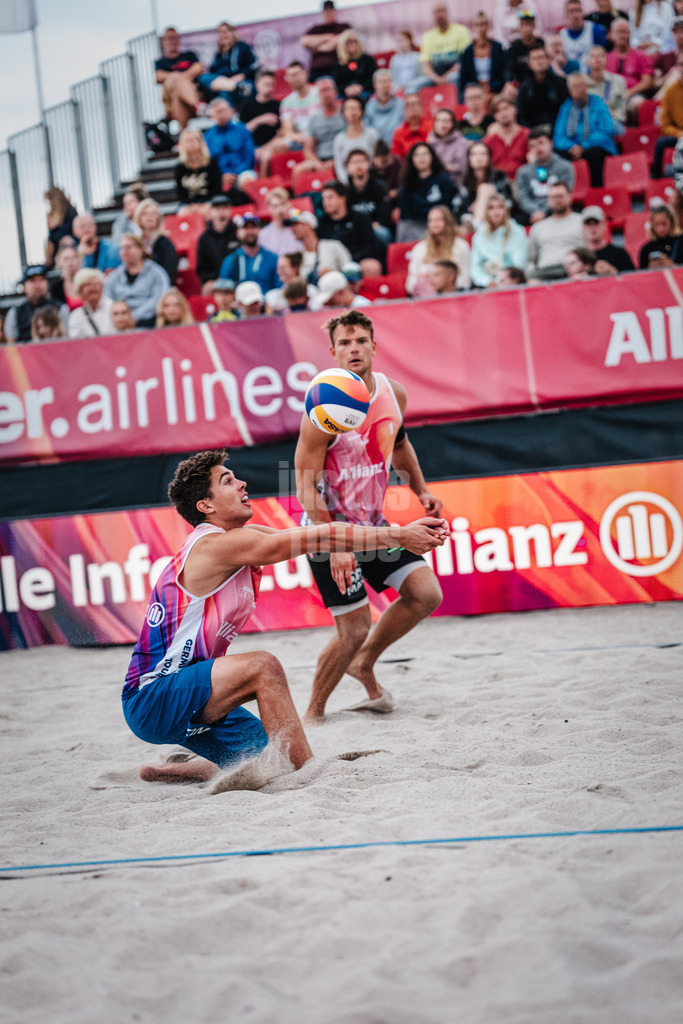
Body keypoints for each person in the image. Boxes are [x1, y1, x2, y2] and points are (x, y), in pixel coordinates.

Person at [123, 447, 446, 783]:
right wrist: (401, 535)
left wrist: (388, 541)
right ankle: (311, 772)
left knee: (266, 757)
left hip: (191, 697)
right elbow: (322, 535)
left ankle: (175, 771)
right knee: (264, 667)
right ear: (206, 506)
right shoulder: (213, 546)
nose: (243, 484)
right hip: (153, 698)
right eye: (228, 481)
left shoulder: (241, 538)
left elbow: (318, 540)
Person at [295, 309, 446, 723]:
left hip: (374, 525)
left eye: (361, 340)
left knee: (426, 594)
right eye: (344, 342)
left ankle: (363, 665)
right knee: (354, 628)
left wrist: (421, 490)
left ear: (375, 346)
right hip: (330, 531)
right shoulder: (324, 403)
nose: (354, 348)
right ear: (332, 352)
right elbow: (305, 486)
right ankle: (312, 715)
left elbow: (400, 446)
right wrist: (337, 543)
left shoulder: (392, 393)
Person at [553, 71, 617, 186]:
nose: (579, 89)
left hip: (594, 146)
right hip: (573, 147)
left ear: (586, 86)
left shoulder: (598, 102)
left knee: (594, 154)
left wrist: (584, 146)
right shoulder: (566, 107)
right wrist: (572, 147)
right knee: (558, 155)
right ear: (569, 89)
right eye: (574, 86)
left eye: (581, 85)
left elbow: (606, 130)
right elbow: (559, 136)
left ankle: (597, 190)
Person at [104, 234, 170, 328]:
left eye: (129, 247)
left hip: (150, 321)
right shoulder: (113, 277)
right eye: (122, 248)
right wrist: (122, 317)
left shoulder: (157, 273)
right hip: (120, 323)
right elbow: (107, 300)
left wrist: (134, 317)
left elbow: (159, 299)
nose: (125, 251)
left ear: (141, 249)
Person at [317, 181, 383, 276]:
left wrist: (351, 260)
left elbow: (369, 247)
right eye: (324, 199)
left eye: (330, 198)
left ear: (342, 198)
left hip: (356, 261)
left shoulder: (360, 218)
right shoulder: (322, 222)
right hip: (333, 263)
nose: (326, 202)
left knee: (372, 266)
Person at [514, 126, 576, 224]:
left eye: (541, 143)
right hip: (532, 214)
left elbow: (566, 193)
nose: (538, 149)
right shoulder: (523, 171)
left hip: (557, 209)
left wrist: (544, 211)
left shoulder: (565, 167)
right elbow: (522, 198)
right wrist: (535, 211)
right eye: (532, 146)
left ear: (550, 144)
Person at [397, 142, 456, 242]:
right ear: (412, 159)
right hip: (415, 226)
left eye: (425, 154)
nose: (421, 158)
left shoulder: (444, 181)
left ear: (432, 156)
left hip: (441, 224)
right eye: (417, 155)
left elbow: (448, 207)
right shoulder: (406, 185)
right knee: (403, 226)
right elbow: (406, 214)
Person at [405, 205, 472, 294]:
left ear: (448, 222)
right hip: (424, 297)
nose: (434, 224)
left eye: (438, 220)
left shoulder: (461, 246)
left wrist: (446, 285)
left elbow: (466, 278)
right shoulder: (419, 248)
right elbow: (411, 281)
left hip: (453, 295)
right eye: (430, 220)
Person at [526, 180, 584, 278]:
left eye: (560, 196)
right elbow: (531, 260)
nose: (557, 200)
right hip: (544, 275)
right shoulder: (538, 227)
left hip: (574, 275)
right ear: (548, 200)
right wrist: (531, 278)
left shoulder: (582, 222)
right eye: (553, 197)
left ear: (570, 197)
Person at [470, 191, 529, 286]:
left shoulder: (518, 232)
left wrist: (502, 279)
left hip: (512, 282)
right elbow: (475, 267)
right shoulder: (478, 236)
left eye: (500, 207)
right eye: (491, 208)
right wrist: (487, 281)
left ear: (506, 210)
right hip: (487, 285)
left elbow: (519, 263)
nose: (496, 211)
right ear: (486, 211)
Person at [452, 140, 514, 226]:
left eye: (483, 154)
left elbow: (509, 203)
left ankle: (478, 226)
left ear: (489, 157)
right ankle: (478, 226)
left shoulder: (499, 176)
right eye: (474, 154)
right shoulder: (463, 182)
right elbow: (457, 209)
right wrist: (472, 209)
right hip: (471, 222)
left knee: (484, 188)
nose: (479, 157)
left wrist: (490, 206)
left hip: (498, 218)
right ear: (468, 158)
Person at [198, 22, 258, 110]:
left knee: (226, 91)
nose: (224, 34)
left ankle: (230, 116)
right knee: (203, 78)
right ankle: (233, 87)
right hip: (224, 82)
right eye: (221, 32)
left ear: (233, 33)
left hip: (241, 81)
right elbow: (212, 72)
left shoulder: (243, 47)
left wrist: (242, 75)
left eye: (227, 31)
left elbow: (254, 65)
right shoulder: (218, 54)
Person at [415, 2, 473, 91]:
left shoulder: (461, 31)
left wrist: (446, 77)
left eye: (441, 11)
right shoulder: (427, 37)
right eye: (436, 12)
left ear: (447, 12)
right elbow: (425, 65)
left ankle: (459, 104)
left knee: (455, 78)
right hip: (434, 75)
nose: (439, 15)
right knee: (414, 86)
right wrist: (437, 79)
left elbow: (464, 60)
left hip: (455, 72)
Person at [154, 26, 203, 131]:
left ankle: (184, 132)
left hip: (189, 94)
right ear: (163, 41)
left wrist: (179, 79)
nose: (172, 41)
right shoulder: (160, 62)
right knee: (175, 82)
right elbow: (157, 76)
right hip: (170, 97)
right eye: (169, 38)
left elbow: (198, 67)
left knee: (177, 93)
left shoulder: (189, 55)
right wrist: (178, 77)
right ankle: (198, 106)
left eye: (174, 38)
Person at [204, 98, 256, 194]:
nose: (221, 114)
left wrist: (235, 173)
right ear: (212, 115)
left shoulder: (242, 130)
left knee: (247, 180)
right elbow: (208, 161)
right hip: (220, 174)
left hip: (242, 171)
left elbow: (249, 156)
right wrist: (222, 174)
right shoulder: (208, 136)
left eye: (223, 110)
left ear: (230, 111)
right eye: (218, 112)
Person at [606, 19, 654, 121]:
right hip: (612, 96)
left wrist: (629, 92)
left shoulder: (641, 56)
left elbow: (647, 82)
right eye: (618, 32)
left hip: (633, 95)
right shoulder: (607, 58)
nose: (622, 36)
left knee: (638, 103)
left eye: (625, 32)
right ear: (611, 35)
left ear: (630, 33)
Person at [219, 212, 280, 292]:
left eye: (253, 227)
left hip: (266, 302)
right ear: (238, 233)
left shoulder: (273, 259)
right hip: (239, 302)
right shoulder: (230, 261)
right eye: (245, 228)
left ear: (259, 230)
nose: (250, 231)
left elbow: (279, 288)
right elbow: (223, 292)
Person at [239, 69, 284, 176]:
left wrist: (266, 148)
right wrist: (260, 120)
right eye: (266, 84)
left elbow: (282, 132)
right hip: (251, 146)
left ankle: (263, 185)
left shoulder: (278, 106)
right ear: (257, 84)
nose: (269, 87)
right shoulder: (247, 106)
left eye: (272, 84)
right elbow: (242, 132)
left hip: (271, 146)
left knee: (266, 155)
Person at [288, 208, 353, 280]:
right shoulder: (298, 256)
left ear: (309, 225)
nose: (292, 228)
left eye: (296, 224)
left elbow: (350, 270)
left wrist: (332, 275)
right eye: (291, 225)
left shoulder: (333, 246)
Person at [300, 75, 345, 178]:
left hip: (343, 157)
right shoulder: (314, 119)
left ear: (335, 92)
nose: (325, 94)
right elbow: (308, 149)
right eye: (322, 91)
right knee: (299, 170)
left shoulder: (345, 113)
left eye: (328, 90)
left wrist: (335, 161)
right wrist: (317, 163)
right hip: (321, 159)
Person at [346, 150, 393, 247]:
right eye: (354, 162)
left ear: (369, 164)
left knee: (382, 233)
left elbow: (385, 216)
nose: (358, 165)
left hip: (376, 227)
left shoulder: (380, 187)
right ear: (348, 166)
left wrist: (370, 226)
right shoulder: (345, 191)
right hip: (354, 228)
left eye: (361, 161)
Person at [516, 44, 570, 127]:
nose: (539, 61)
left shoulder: (561, 83)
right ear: (529, 64)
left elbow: (567, 112)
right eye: (535, 59)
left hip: (557, 129)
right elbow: (521, 116)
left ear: (548, 60)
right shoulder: (524, 87)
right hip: (532, 132)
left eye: (542, 57)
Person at [4, 266, 60, 343]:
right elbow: (12, 346)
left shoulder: (60, 308)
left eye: (41, 279)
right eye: (33, 281)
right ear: (24, 286)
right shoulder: (15, 313)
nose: (38, 285)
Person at [196, 196, 239, 295]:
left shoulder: (238, 233)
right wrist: (218, 278)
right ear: (211, 212)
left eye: (225, 208)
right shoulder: (204, 238)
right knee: (207, 288)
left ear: (230, 211)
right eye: (217, 208)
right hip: (215, 280)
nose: (221, 212)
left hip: (237, 278)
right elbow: (202, 270)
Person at [300, 1, 352, 82]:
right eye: (327, 11)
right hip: (316, 70)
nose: (329, 14)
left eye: (331, 11)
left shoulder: (343, 27)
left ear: (335, 11)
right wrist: (328, 37)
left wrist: (318, 47)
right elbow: (305, 41)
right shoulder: (316, 29)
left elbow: (344, 39)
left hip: (338, 67)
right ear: (322, 13)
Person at [459, 11, 506, 99]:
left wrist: (491, 87)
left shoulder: (497, 48)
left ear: (488, 26)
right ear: (473, 27)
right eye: (478, 25)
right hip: (475, 91)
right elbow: (464, 77)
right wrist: (478, 88)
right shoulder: (468, 51)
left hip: (495, 90)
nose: (481, 28)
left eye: (484, 24)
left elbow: (502, 72)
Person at [333, 96, 379, 184]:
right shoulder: (339, 139)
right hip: (348, 184)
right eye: (349, 109)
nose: (353, 112)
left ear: (362, 112)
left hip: (371, 181)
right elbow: (339, 166)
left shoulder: (372, 134)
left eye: (356, 108)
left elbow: (376, 160)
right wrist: (347, 183)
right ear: (343, 114)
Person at [133, 199, 179, 285]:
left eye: (153, 213)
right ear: (138, 218)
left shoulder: (165, 243)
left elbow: (170, 272)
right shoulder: (135, 244)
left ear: (158, 218)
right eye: (145, 214)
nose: (149, 217)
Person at [175, 129, 222, 210]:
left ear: (200, 142)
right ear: (183, 144)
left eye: (194, 140)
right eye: (188, 141)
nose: (192, 143)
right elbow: (180, 193)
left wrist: (204, 203)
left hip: (209, 201)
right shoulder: (180, 166)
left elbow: (217, 187)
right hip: (189, 204)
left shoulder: (211, 162)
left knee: (212, 211)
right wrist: (192, 205)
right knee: (183, 212)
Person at [485, 95, 530, 177]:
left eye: (506, 108)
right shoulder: (489, 140)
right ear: (494, 115)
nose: (502, 113)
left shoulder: (526, 135)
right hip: (498, 182)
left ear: (515, 109)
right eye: (497, 111)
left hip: (522, 180)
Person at [581, 204, 635, 272]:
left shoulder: (620, 254)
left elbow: (632, 279)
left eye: (596, 223)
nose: (592, 228)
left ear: (604, 225)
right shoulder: (578, 258)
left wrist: (612, 272)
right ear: (583, 228)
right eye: (588, 224)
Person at [653, 53, 683, 176]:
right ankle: (656, 179)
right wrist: (679, 133)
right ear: (677, 67)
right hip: (679, 134)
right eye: (681, 64)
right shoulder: (670, 92)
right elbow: (665, 125)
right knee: (661, 143)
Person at [280, 62, 321, 148]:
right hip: (299, 140)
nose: (294, 78)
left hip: (320, 136)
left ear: (305, 74)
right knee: (277, 146)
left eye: (296, 74)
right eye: (290, 76)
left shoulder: (319, 93)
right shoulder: (286, 102)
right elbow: (288, 131)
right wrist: (301, 138)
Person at [560, 0, 608, 72]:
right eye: (571, 11)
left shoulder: (594, 29)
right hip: (571, 77)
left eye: (578, 10)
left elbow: (603, 55)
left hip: (592, 73)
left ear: (583, 12)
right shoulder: (562, 34)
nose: (575, 15)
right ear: (565, 14)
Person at [586, 45, 628, 124]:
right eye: (593, 56)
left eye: (601, 55)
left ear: (606, 60)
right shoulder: (582, 84)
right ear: (587, 61)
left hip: (612, 122)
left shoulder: (618, 81)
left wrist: (615, 116)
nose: (597, 58)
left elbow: (621, 108)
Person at [68, 269, 114, 338]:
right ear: (80, 290)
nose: (93, 287)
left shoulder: (112, 307)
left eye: (97, 284)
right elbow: (76, 342)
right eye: (88, 284)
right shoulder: (76, 316)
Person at [427, 108, 470, 184]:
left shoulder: (462, 144)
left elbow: (462, 169)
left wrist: (439, 167)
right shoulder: (428, 144)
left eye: (446, 121)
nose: (442, 125)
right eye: (439, 121)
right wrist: (447, 167)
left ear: (453, 123)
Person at [363, 69, 405, 147]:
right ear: (374, 85)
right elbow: (366, 131)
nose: (384, 85)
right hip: (376, 149)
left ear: (391, 83)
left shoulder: (401, 104)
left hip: (398, 146)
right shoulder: (368, 107)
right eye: (380, 82)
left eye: (386, 81)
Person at [258, 188, 302, 256]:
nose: (280, 210)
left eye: (283, 204)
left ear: (289, 205)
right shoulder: (263, 235)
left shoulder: (300, 230)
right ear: (269, 209)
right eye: (275, 206)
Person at [334, 30, 377, 100]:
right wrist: (346, 89)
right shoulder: (340, 64)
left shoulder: (368, 60)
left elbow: (372, 78)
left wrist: (361, 87)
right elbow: (337, 83)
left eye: (354, 42)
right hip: (345, 94)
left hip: (365, 91)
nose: (352, 45)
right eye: (348, 43)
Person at [504, 10, 545, 83]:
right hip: (520, 83)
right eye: (523, 24)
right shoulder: (514, 47)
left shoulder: (541, 44)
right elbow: (509, 69)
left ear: (534, 26)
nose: (527, 27)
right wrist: (511, 82)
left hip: (540, 81)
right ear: (519, 27)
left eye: (529, 24)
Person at [391, 93, 432, 159]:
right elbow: (397, 159)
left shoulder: (432, 127)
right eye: (408, 105)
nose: (412, 108)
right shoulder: (398, 133)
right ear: (404, 110)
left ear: (422, 107)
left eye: (416, 104)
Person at [638, 202, 679, 267]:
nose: (661, 229)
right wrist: (651, 268)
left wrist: (671, 265)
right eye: (657, 224)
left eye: (664, 224)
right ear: (652, 226)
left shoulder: (680, 241)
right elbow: (640, 274)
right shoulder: (646, 248)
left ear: (672, 223)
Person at [44, 187, 77, 269]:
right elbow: (51, 232)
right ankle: (49, 262)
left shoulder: (70, 210)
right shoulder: (51, 213)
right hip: (56, 237)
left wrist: (56, 226)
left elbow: (72, 227)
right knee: (49, 240)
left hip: (68, 235)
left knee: (65, 240)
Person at [52, 243, 82, 311]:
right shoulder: (56, 287)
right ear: (59, 262)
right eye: (66, 259)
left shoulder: (87, 281)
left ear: (79, 260)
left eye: (73, 258)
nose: (70, 262)